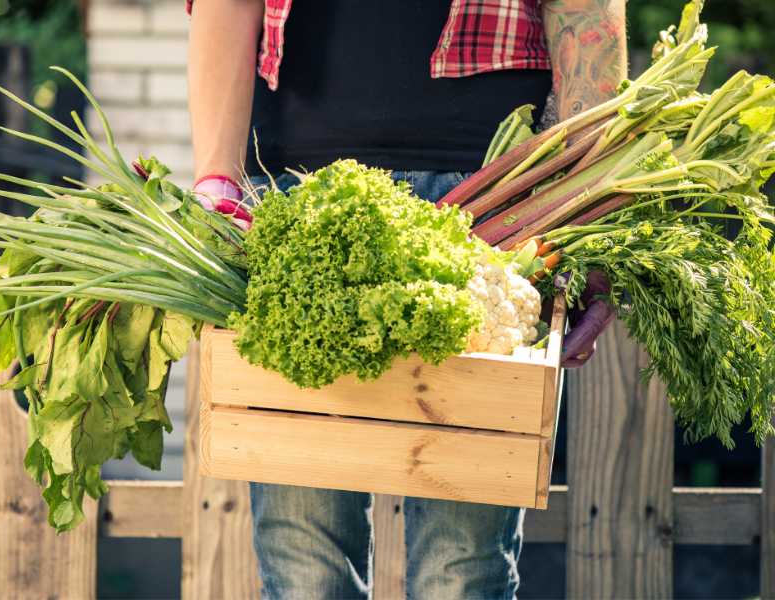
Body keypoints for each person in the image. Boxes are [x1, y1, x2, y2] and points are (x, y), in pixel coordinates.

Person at [187, 1, 625, 597]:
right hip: (299, 206)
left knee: (462, 573)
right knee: (303, 571)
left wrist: (581, 209)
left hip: (491, 210)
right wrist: (217, 181)